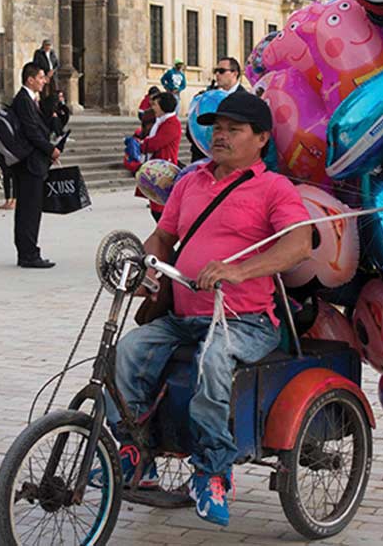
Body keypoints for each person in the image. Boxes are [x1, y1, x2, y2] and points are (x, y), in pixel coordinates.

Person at [115, 90, 312, 527]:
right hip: (184, 316)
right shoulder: (190, 180)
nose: (220, 136)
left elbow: (300, 244)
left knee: (212, 361)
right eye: (216, 128)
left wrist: (241, 270)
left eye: (233, 130)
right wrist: (145, 267)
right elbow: (164, 237)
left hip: (246, 320)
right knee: (127, 352)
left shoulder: (273, 188)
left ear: (261, 138)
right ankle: (135, 453)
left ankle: (212, 470)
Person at [10, 63, 62, 268]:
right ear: (30, 79)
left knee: (31, 209)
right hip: (29, 164)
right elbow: (32, 132)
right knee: (28, 210)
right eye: (40, 77)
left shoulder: (31, 100)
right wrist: (51, 150)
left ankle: (29, 251)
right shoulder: (23, 100)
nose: (44, 81)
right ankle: (28, 254)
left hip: (34, 162)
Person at [134, 91, 183, 221]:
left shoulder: (172, 123)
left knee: (160, 209)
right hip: (156, 166)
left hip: (163, 170)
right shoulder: (160, 121)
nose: (153, 107)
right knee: (155, 207)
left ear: (164, 106)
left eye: (155, 104)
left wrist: (140, 145)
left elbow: (155, 143)